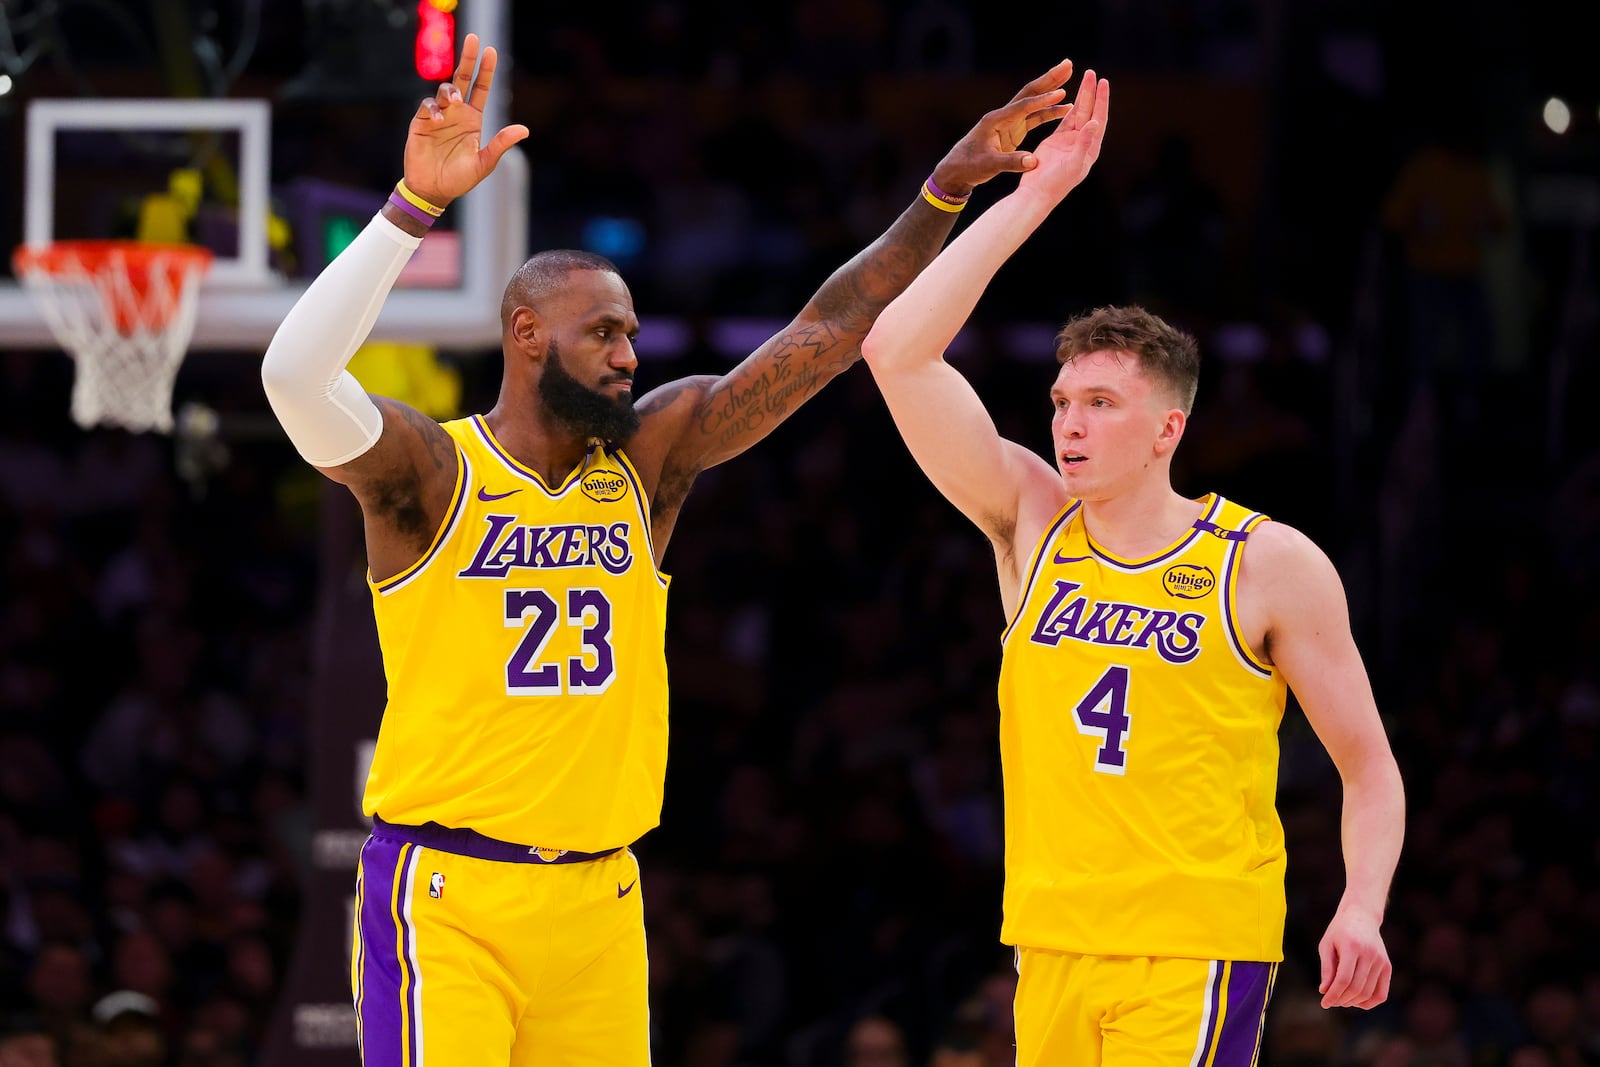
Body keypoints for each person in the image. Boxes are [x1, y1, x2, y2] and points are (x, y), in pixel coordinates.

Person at [261, 34, 1080, 1067]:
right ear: (524, 334)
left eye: (632, 334)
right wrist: (409, 211)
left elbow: (825, 331)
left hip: (599, 894)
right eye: (602, 332)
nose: (628, 355)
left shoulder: (650, 457)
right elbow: (293, 376)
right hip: (446, 888)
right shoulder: (428, 473)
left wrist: (940, 192)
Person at [860, 68, 1406, 1065]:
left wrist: (1361, 906)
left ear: (1167, 427)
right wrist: (1032, 195)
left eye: (1100, 404)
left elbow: (1368, 766)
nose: (1069, 423)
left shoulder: (1267, 563)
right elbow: (895, 349)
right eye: (1063, 402)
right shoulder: (1030, 520)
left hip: (1194, 946)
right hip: (1053, 938)